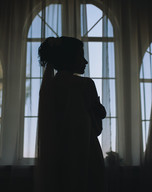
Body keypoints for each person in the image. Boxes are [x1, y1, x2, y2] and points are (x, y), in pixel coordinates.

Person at [34, 36, 107, 192]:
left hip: (58, 159)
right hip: (86, 154)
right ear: (69, 57)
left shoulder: (49, 88)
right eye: (81, 55)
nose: (85, 61)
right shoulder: (86, 84)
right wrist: (100, 111)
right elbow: (97, 128)